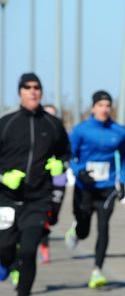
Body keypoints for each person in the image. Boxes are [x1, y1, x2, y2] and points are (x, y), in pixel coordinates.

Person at [0, 73, 71, 296]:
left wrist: (60, 164)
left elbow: (66, 151)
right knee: (5, 246)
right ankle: (6, 264)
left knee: (29, 251)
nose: (33, 92)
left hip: (37, 199)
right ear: (19, 92)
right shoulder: (7, 123)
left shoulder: (52, 124)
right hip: (6, 197)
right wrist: (3, 177)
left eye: (37, 88)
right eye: (27, 88)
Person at [64, 90, 125, 289]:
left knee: (103, 227)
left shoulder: (120, 131)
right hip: (85, 187)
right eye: (101, 105)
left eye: (108, 105)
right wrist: (78, 171)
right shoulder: (81, 130)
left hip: (107, 187)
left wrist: (122, 180)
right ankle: (76, 230)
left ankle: (97, 271)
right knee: (84, 229)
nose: (105, 109)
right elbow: (68, 154)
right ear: (93, 108)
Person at [38, 104, 68, 264]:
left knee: (52, 218)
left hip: (58, 181)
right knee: (41, 216)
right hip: (40, 183)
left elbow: (68, 154)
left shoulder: (60, 133)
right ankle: (44, 247)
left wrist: (61, 164)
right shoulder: (36, 132)